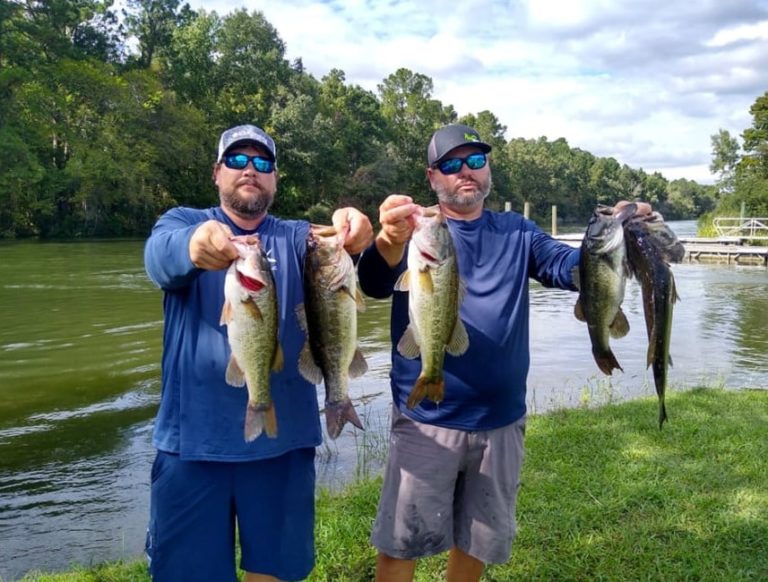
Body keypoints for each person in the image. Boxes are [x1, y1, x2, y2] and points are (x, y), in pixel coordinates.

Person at [356, 123, 649, 581]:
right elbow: (373, 282)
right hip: (427, 420)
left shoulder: (517, 232)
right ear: (432, 178)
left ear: (489, 169)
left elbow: (566, 266)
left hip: (501, 421)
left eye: (476, 161)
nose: (465, 172)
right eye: (451, 165)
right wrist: (389, 240)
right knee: (401, 541)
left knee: (477, 540)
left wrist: (615, 240)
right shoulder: (416, 231)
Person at [143, 123, 373, 582]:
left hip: (282, 445)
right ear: (217, 172)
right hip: (192, 447)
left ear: (275, 179)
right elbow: (159, 258)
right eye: (238, 160)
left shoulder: (297, 239)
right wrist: (195, 246)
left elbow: (340, 245)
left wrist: (357, 227)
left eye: (263, 162)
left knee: (276, 572)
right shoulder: (182, 222)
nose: (251, 169)